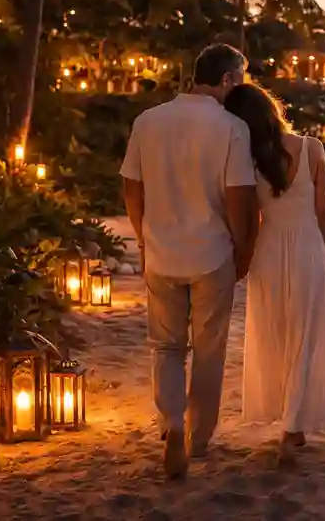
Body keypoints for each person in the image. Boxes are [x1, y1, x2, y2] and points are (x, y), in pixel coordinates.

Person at [120, 44, 256, 479]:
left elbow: (131, 188)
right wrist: (243, 249)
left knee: (166, 346)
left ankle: (172, 423)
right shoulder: (233, 127)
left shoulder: (148, 120)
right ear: (229, 78)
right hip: (212, 254)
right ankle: (197, 438)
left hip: (161, 253)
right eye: (242, 78)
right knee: (209, 349)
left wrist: (144, 237)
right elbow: (239, 197)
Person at [224, 83, 325, 458]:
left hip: (268, 251)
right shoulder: (312, 147)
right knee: (305, 336)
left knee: (276, 335)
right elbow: (324, 212)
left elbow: (249, 218)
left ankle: (291, 422)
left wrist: (242, 258)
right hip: (307, 248)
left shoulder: (248, 158)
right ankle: (292, 426)